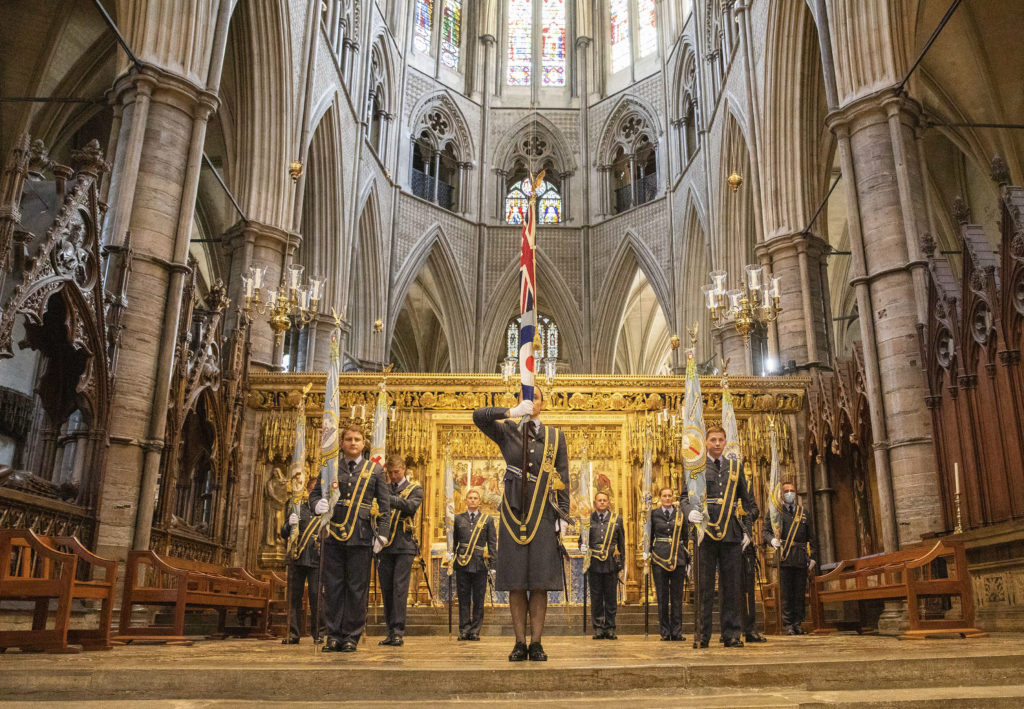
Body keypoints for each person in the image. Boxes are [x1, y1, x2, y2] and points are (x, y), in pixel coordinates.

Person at [473, 386, 569, 662]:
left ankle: (536, 643)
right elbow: (479, 417)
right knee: (516, 582)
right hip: (514, 511)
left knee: (539, 582)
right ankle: (518, 642)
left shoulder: (555, 436)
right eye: (525, 398)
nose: (531, 401)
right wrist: (511, 413)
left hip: (543, 514)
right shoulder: (507, 431)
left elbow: (562, 476)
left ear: (543, 402)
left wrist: (563, 516)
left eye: (535, 397)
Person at [309, 425, 391, 652]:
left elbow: (384, 506)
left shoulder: (374, 471)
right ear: (342, 443)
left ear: (363, 444)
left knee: (357, 588)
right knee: (333, 587)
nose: (353, 443)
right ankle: (333, 635)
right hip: (333, 534)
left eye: (357, 439)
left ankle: (351, 636)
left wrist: (382, 534)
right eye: (348, 439)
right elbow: (314, 494)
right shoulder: (330, 467)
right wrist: (317, 505)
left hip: (361, 535)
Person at [683, 425, 756, 648]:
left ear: (725, 442)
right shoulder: (696, 467)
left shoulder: (735, 467)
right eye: (713, 439)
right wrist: (690, 513)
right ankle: (703, 634)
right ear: (705, 443)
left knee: (732, 586)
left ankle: (731, 633)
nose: (716, 443)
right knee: (704, 586)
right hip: (705, 533)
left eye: (720, 440)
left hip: (731, 534)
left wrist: (747, 530)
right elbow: (684, 498)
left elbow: (750, 504)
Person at [377, 455, 423, 647]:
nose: (394, 476)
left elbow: (410, 506)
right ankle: (389, 630)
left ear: (403, 469)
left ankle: (398, 631)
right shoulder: (385, 488)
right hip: (385, 545)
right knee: (386, 589)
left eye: (396, 472)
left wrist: (388, 499)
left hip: (404, 545)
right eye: (390, 473)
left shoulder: (415, 489)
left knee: (399, 589)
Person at [279, 467, 322, 644]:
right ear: (308, 491)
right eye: (313, 490)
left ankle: (319, 633)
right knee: (293, 598)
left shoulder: (326, 512)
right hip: (297, 558)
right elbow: (283, 533)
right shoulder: (297, 508)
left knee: (316, 597)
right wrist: (289, 524)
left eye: (318, 491)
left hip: (316, 559)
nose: (315, 493)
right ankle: (293, 633)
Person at [769, 481, 816, 635]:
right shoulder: (776, 512)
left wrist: (813, 557)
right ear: (782, 494)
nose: (790, 493)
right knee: (786, 593)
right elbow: (765, 531)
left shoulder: (803, 513)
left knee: (799, 593)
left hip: (800, 557)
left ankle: (798, 623)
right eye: (787, 491)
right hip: (784, 557)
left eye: (792, 490)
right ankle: (787, 624)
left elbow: (812, 536)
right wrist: (771, 540)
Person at [452, 488, 497, 641]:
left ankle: (475, 630)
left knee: (478, 599)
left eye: (475, 498)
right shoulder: (458, 519)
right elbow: (454, 542)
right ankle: (464, 629)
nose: (472, 500)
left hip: (480, 564)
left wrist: (493, 566)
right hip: (462, 563)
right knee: (463, 598)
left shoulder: (488, 520)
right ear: (466, 500)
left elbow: (492, 544)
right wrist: (450, 557)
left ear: (479, 501)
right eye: (470, 498)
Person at [649, 487, 688, 641]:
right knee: (663, 597)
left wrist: (687, 559)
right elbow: (650, 535)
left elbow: (684, 537)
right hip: (659, 559)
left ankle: (677, 631)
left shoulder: (681, 515)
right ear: (660, 498)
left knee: (677, 598)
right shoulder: (653, 514)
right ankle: (665, 632)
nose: (667, 498)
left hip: (677, 559)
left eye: (669, 496)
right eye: (664, 496)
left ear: (673, 498)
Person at [587, 491, 625, 639]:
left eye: (604, 500)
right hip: (594, 563)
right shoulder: (588, 519)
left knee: (610, 598)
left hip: (611, 564)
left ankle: (610, 627)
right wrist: (583, 546)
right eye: (599, 500)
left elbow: (621, 544)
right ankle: (598, 628)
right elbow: (582, 541)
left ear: (608, 502)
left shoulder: (617, 520)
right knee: (596, 597)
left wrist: (622, 563)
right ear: (595, 502)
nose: (602, 502)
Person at [737, 501, 767, 643]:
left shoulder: (744, 485)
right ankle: (729, 631)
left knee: (749, 589)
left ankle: (750, 629)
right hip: (723, 540)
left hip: (745, 543)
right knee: (728, 589)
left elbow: (754, 510)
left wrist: (747, 531)